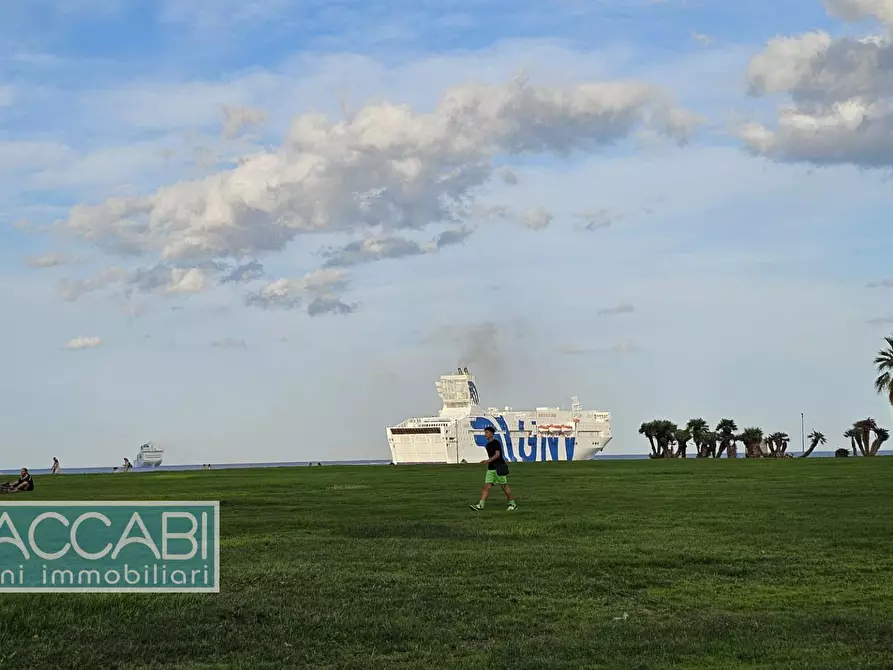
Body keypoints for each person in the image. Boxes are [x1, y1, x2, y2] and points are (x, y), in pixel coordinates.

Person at [469, 426, 517, 511]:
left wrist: (487, 461)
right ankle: (480, 505)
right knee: (486, 487)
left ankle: (513, 504)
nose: (485, 434)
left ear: (491, 433)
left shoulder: (496, 443)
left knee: (504, 486)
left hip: (498, 468)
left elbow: (497, 455)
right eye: (485, 432)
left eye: (486, 432)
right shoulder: (487, 445)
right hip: (491, 469)